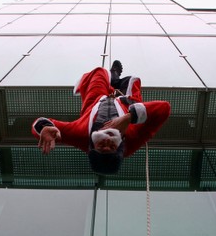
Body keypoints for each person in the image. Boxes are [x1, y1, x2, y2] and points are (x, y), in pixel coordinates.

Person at [32, 61, 171, 175]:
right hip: (125, 102)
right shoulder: (132, 141)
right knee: (130, 82)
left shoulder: (81, 136)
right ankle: (116, 78)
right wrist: (129, 117)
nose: (107, 140)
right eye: (111, 146)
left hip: (96, 99)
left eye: (101, 145)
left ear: (92, 147)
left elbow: (41, 126)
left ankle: (113, 75)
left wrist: (44, 127)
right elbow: (164, 108)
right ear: (120, 148)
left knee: (99, 73)